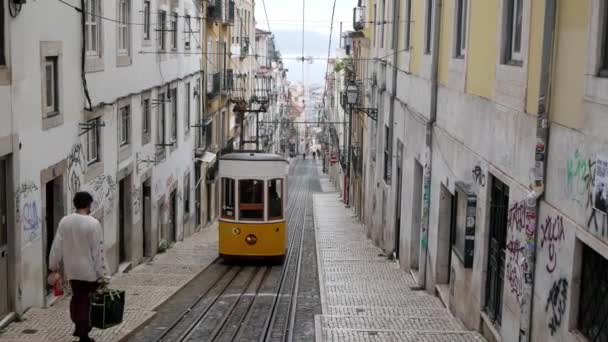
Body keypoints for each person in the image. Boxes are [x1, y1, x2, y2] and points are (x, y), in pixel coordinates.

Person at [49, 191, 110, 342]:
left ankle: (79, 327)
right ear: (89, 205)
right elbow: (98, 252)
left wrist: (53, 265)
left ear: (75, 204)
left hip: (72, 270)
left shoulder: (65, 221)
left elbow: (56, 246)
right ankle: (83, 333)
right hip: (89, 271)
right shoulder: (93, 224)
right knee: (86, 301)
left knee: (78, 298)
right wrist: (103, 274)